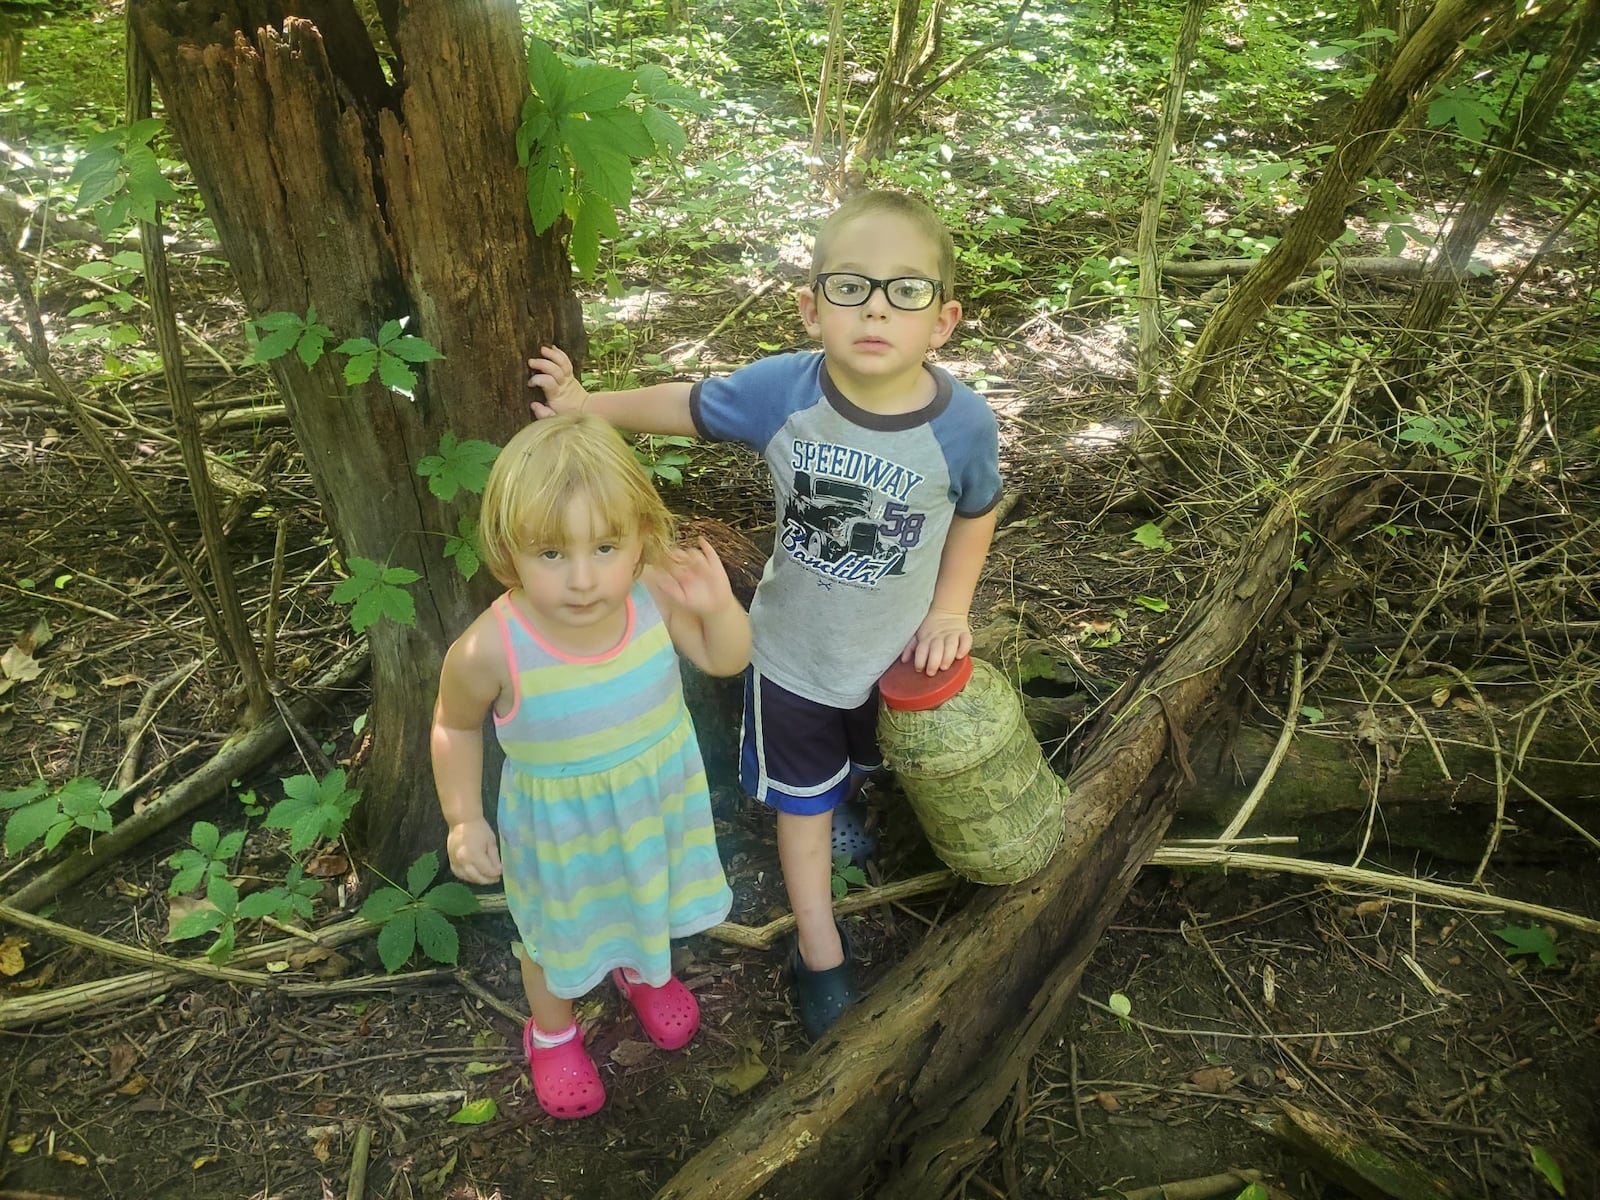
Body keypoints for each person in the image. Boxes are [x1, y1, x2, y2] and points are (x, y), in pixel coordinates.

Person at [527, 190, 1002, 1040]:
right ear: (811, 307)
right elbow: (689, 405)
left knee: (866, 758)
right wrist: (587, 406)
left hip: (893, 658)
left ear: (944, 321)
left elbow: (977, 510)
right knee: (802, 805)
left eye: (906, 291)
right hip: (790, 658)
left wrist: (952, 607)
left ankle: (845, 794)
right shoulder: (784, 390)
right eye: (851, 287)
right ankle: (819, 949)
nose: (876, 310)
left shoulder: (962, 424)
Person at [431, 413, 752, 1120]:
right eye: (551, 553)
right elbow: (453, 724)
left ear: (640, 534)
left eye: (605, 546)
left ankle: (643, 972)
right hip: (560, 833)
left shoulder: (654, 596)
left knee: (647, 894)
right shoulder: (493, 648)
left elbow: (728, 659)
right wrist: (463, 818)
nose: (582, 578)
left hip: (653, 807)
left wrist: (720, 604)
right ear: (508, 549)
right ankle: (552, 1033)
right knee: (553, 937)